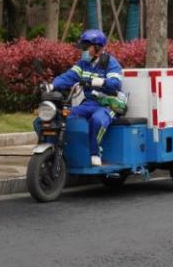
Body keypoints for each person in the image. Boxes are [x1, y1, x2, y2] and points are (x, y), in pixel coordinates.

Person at [40, 29, 123, 166]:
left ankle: (95, 153)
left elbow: (115, 84)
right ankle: (56, 153)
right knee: (61, 117)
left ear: (97, 48)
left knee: (96, 121)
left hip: (108, 105)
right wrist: (51, 86)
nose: (82, 51)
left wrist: (98, 82)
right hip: (89, 104)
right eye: (82, 48)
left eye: (86, 48)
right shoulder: (83, 63)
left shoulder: (110, 63)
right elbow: (69, 77)